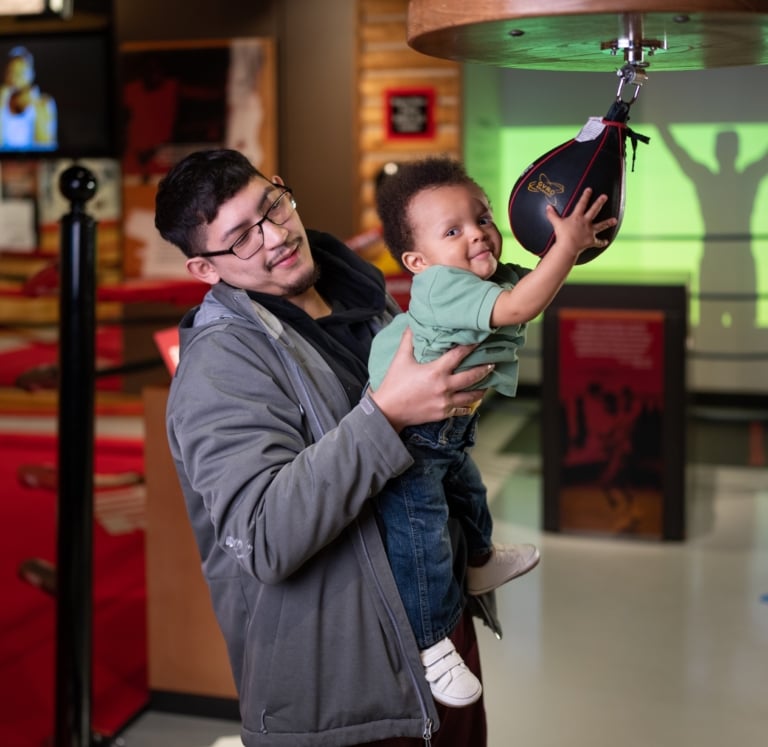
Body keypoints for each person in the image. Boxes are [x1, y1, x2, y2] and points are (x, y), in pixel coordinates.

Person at [154, 148, 512, 747]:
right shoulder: (219, 367)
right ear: (205, 270)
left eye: (271, 206)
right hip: (351, 687)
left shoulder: (362, 294)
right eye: (241, 237)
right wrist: (388, 414)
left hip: (435, 622)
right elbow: (264, 536)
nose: (274, 236)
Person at [367, 157, 617, 707]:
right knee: (422, 540)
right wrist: (566, 248)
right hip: (410, 441)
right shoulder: (440, 286)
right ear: (418, 260)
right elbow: (525, 303)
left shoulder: (486, 275)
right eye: (452, 231)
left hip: (448, 433)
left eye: (481, 218)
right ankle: (432, 647)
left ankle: (479, 562)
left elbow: (535, 290)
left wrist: (570, 242)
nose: (478, 233)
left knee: (469, 492)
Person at [0, 46, 57, 150]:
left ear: (31, 74)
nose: (15, 78)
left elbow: (47, 147)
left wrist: (36, 109)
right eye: (11, 72)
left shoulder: (43, 103)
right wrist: (2, 104)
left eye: (21, 73)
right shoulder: (2, 101)